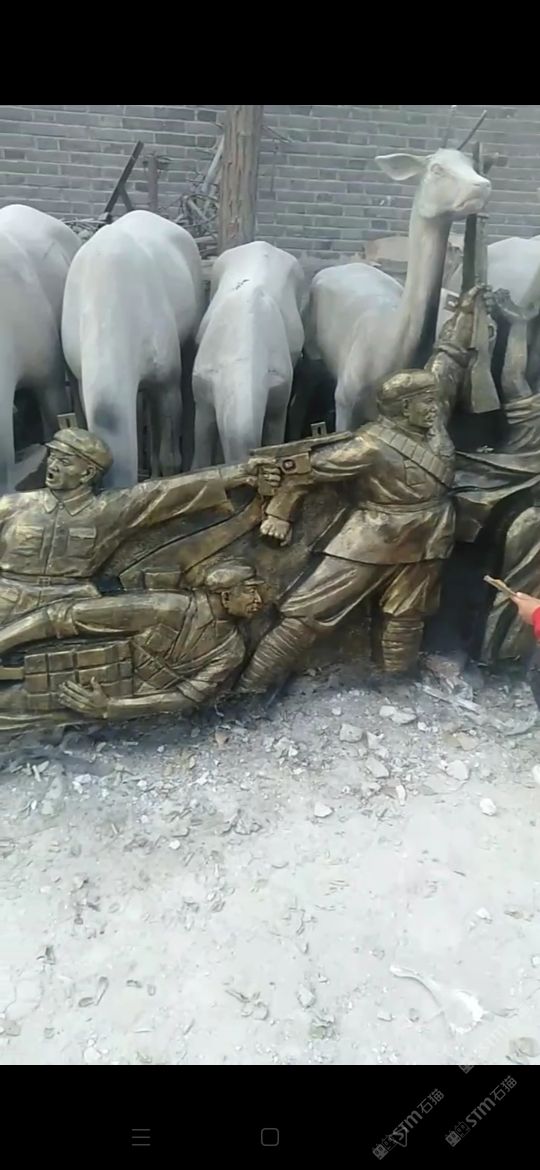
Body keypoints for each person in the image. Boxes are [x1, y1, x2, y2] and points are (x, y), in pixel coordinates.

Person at [238, 367, 456, 691]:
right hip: (373, 539)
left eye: (434, 400)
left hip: (430, 536)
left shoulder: (434, 431)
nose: (435, 408)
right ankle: (250, 688)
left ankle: (395, 679)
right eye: (426, 401)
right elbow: (305, 471)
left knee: (407, 612)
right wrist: (280, 512)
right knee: (309, 610)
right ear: (404, 407)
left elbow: (448, 364)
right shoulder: (369, 446)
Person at [0, 425, 263, 637]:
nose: (53, 466)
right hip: (9, 595)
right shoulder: (12, 506)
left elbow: (167, 492)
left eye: (65, 461)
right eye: (53, 457)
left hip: (72, 599)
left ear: (87, 473)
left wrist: (239, 473)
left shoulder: (109, 509)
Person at [0, 560, 267, 722]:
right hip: (77, 669)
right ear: (225, 595)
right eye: (250, 591)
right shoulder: (168, 607)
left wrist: (111, 708)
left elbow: (185, 696)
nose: (259, 600)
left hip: (100, 699)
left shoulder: (231, 649)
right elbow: (64, 616)